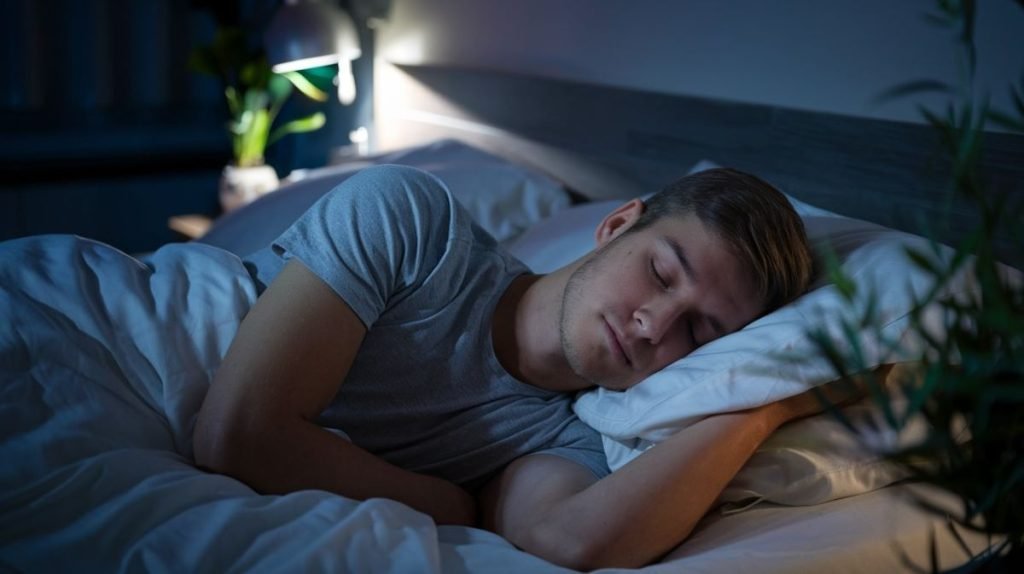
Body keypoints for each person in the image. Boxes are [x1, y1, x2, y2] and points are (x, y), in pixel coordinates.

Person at [193, 164, 819, 569]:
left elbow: (565, 539)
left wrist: (772, 407)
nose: (654, 324)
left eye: (700, 330)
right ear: (617, 224)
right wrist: (454, 503)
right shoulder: (412, 223)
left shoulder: (578, 439)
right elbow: (238, 434)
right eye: (659, 272)